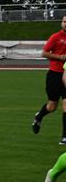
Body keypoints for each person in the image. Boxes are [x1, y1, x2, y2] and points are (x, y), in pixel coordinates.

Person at [31, 15, 66, 144]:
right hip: (55, 75)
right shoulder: (56, 37)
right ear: (61, 23)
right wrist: (60, 57)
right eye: (64, 21)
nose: (65, 24)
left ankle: (64, 137)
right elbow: (44, 53)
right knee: (51, 107)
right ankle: (39, 116)